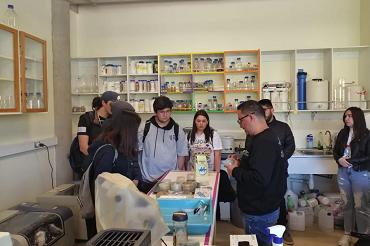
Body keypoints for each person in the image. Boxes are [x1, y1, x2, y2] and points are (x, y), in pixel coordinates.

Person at [224, 100, 286, 246]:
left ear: (251, 117)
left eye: (240, 120)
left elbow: (259, 178)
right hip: (262, 207)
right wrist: (241, 163)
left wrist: (235, 171)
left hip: (260, 211)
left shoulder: (264, 142)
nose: (240, 125)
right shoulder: (262, 137)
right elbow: (259, 166)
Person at [82, 109, 142, 240]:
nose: (137, 133)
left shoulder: (122, 148)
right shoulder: (108, 151)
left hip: (117, 211)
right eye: (135, 129)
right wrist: (127, 188)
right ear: (126, 130)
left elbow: (132, 167)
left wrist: (134, 181)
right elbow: (102, 187)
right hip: (105, 216)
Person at [245, 99, 295, 245]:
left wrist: (277, 159)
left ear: (272, 110)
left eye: (265, 109)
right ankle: (268, 231)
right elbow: (249, 148)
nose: (263, 112)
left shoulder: (282, 127)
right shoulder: (255, 130)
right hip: (260, 171)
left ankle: (282, 230)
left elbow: (290, 146)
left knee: (279, 199)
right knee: (264, 199)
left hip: (278, 171)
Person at [333, 107, 370, 246]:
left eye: (349, 116)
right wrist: (338, 159)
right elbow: (335, 151)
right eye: (345, 116)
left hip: (360, 173)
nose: (346, 118)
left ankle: (364, 236)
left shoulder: (367, 135)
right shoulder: (343, 133)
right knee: (347, 204)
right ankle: (347, 234)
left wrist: (350, 161)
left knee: (361, 206)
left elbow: (368, 156)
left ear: (357, 117)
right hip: (343, 173)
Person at [138, 96, 188, 193]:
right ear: (155, 112)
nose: (165, 115)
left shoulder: (177, 130)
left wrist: (176, 174)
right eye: (161, 112)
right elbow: (136, 151)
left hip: (170, 180)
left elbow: (181, 154)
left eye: (168, 111)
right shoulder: (144, 128)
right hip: (147, 179)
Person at [77, 91, 119, 156]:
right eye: (112, 104)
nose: (115, 107)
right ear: (103, 103)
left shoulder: (115, 119)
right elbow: (83, 147)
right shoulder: (85, 118)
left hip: (111, 159)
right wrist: (97, 160)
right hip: (92, 159)